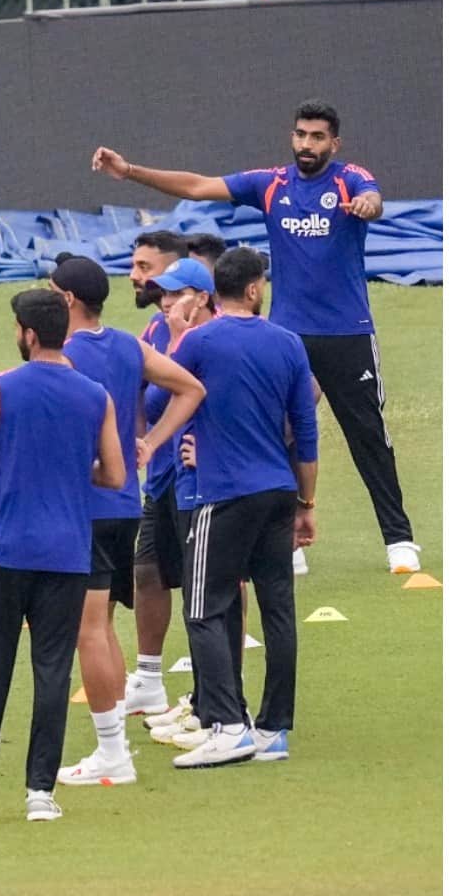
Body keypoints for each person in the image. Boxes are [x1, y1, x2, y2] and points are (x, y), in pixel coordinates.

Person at [94, 99, 418, 572]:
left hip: (347, 333)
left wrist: (369, 205)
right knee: (275, 432)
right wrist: (129, 172)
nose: (307, 144)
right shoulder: (271, 185)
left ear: (334, 143)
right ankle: (287, 542)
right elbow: (198, 187)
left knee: (366, 433)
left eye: (317, 137)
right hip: (286, 335)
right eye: (301, 134)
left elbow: (372, 197)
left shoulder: (348, 179)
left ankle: (399, 541)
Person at [0, 290, 124, 823]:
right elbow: (115, 475)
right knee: (53, 672)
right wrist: (70, 469)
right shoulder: (96, 395)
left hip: (7, 551)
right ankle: (40, 793)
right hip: (69, 556)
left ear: (28, 334)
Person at [46, 259, 204, 786]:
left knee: (88, 630)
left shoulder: (63, 357)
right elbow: (191, 389)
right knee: (103, 626)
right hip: (124, 505)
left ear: (68, 300)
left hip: (85, 506)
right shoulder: (127, 346)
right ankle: (113, 745)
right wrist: (150, 444)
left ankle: (112, 754)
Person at [164, 247, 318, 768]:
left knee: (202, 607)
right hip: (279, 492)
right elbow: (306, 429)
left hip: (224, 494)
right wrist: (306, 502)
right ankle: (273, 731)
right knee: (278, 610)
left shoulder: (199, 342)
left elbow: (158, 400)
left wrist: (177, 337)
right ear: (253, 289)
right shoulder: (288, 342)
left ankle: (229, 726)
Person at [124, 259, 219, 725]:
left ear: (202, 297)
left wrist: (215, 448)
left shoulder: (214, 338)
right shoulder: (154, 331)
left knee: (210, 589)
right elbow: (137, 385)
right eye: (163, 291)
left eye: (176, 292)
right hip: (162, 476)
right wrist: (142, 437)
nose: (166, 300)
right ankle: (149, 680)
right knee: (147, 571)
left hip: (203, 483)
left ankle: (214, 695)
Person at [126, 231, 189, 313]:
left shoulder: (201, 319)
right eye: (133, 267)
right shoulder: (160, 318)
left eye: (143, 267)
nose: (132, 276)